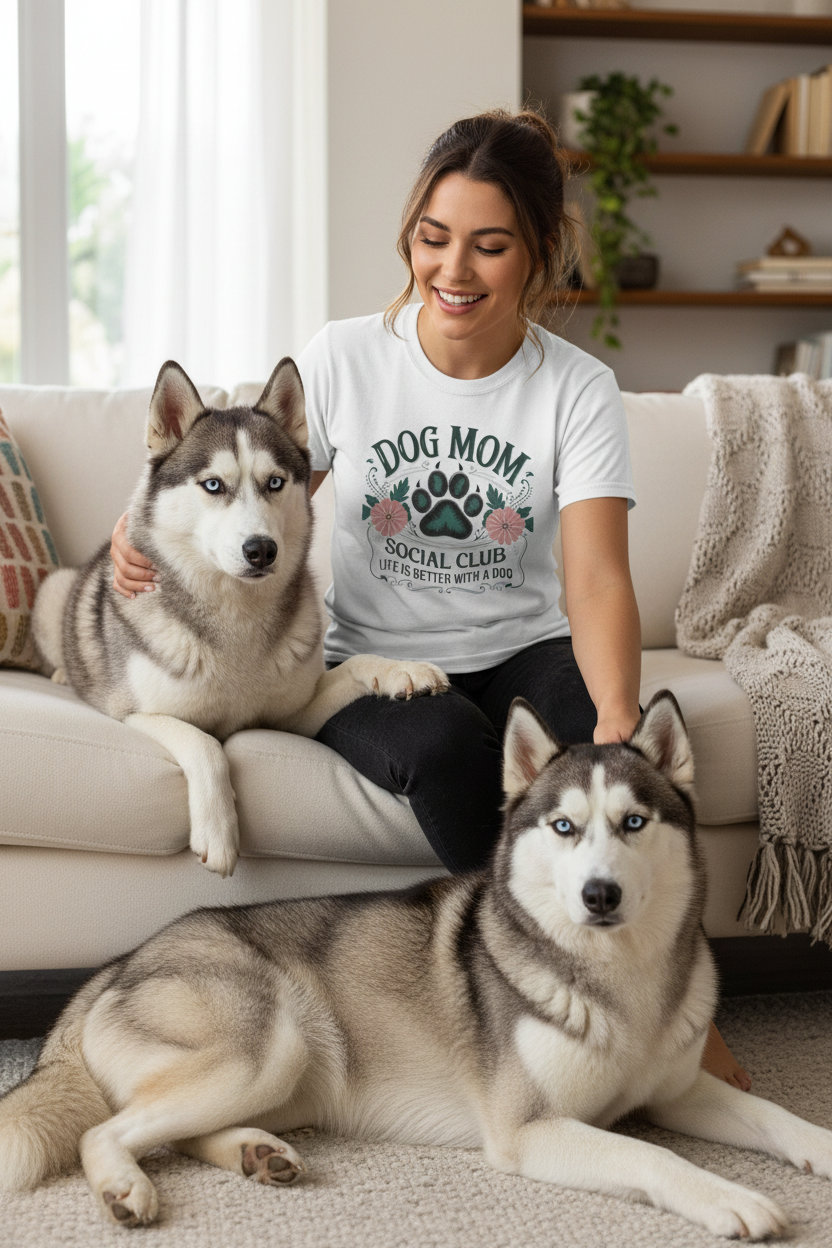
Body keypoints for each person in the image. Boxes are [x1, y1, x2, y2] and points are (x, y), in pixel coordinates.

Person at [109, 108, 749, 1091]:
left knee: (606, 780)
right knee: (449, 751)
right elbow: (236, 480)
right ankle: (530, 1011)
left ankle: (674, 1021)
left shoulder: (575, 387)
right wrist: (131, 531)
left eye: (489, 246)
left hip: (527, 645)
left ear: (536, 255)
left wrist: (618, 719)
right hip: (373, 654)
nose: (454, 269)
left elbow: (594, 577)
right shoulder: (343, 359)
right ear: (410, 238)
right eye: (432, 239)